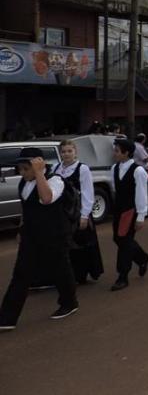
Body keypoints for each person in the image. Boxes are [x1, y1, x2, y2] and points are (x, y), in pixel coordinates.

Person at [0, 149, 79, 331]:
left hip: (53, 235)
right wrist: (21, 228)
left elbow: (46, 198)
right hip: (31, 236)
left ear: (38, 164)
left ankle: (70, 302)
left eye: (26, 169)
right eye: (20, 169)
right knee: (21, 274)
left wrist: (38, 173)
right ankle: (7, 318)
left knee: (60, 270)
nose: (22, 173)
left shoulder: (55, 180)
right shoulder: (23, 183)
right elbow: (26, 208)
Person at [56, 140, 104, 284]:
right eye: (64, 151)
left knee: (81, 244)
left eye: (69, 151)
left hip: (78, 212)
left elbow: (88, 192)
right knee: (66, 244)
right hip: (63, 213)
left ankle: (81, 274)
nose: (66, 154)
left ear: (75, 152)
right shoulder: (56, 168)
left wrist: (84, 215)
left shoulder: (82, 169)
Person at [108, 138, 148, 292]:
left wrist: (141, 216)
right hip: (119, 209)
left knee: (124, 241)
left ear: (126, 152)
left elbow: (141, 194)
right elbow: (115, 189)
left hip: (131, 210)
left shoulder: (138, 170)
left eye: (117, 151)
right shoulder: (114, 168)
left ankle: (123, 276)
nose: (114, 153)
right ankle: (142, 258)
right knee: (118, 238)